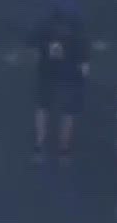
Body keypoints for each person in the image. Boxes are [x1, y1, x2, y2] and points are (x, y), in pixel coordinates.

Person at [31, 13, 89, 163]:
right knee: (68, 112)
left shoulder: (44, 35)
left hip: (48, 74)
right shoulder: (78, 39)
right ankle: (64, 148)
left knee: (43, 109)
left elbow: (36, 53)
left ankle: (40, 146)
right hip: (70, 77)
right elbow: (84, 65)